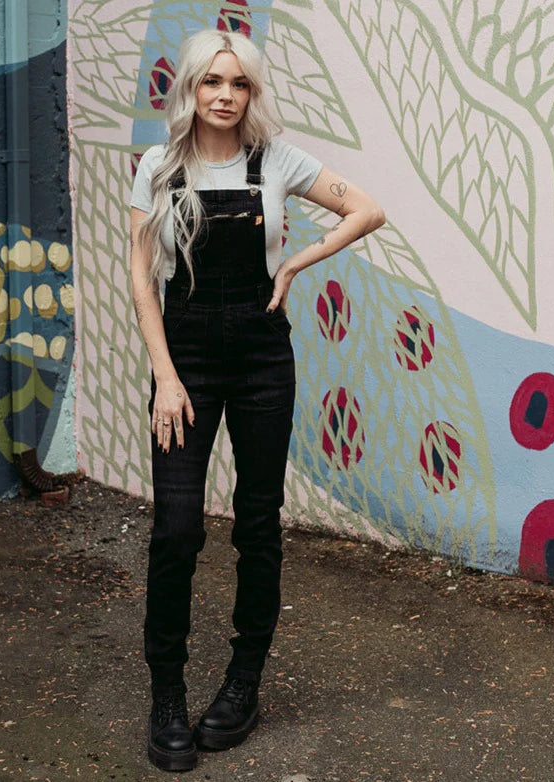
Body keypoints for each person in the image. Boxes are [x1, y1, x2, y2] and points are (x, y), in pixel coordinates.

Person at [129, 28, 385, 772]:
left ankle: (244, 683)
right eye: (212, 82)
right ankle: (167, 695)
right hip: (186, 358)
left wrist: (299, 260)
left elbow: (366, 210)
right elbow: (141, 278)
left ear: (252, 94)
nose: (224, 96)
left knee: (257, 523)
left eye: (238, 84)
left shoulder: (277, 160)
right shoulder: (158, 166)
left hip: (264, 355)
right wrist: (166, 377)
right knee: (176, 526)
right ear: (191, 89)